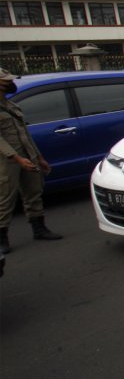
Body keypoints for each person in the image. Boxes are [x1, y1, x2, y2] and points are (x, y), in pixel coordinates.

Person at [0, 68, 63, 254]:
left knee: (33, 192)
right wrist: (18, 159)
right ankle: (2, 238)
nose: (10, 83)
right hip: (7, 160)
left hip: (27, 156)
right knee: (5, 199)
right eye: (6, 81)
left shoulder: (9, 104)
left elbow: (25, 134)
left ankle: (39, 228)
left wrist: (39, 157)